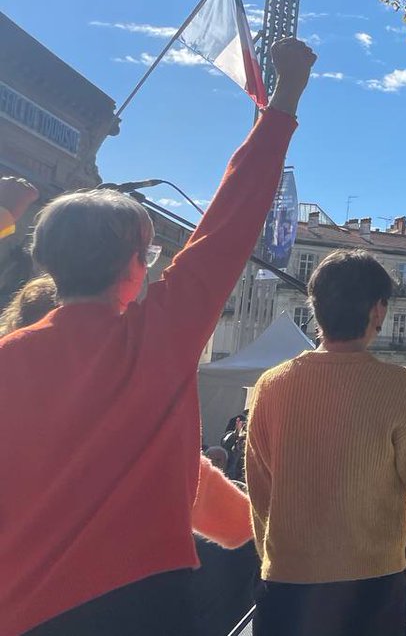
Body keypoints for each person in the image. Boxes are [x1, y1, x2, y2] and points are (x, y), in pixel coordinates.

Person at [2, 39, 314, 636]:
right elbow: (229, 222)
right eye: (147, 255)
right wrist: (286, 97)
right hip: (139, 601)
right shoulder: (156, 338)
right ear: (130, 266)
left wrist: (4, 218)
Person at [245, 249, 406, 636]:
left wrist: (276, 561)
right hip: (367, 593)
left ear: (316, 309)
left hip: (285, 589)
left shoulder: (270, 387)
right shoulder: (398, 388)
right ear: (378, 311)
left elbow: (260, 499)